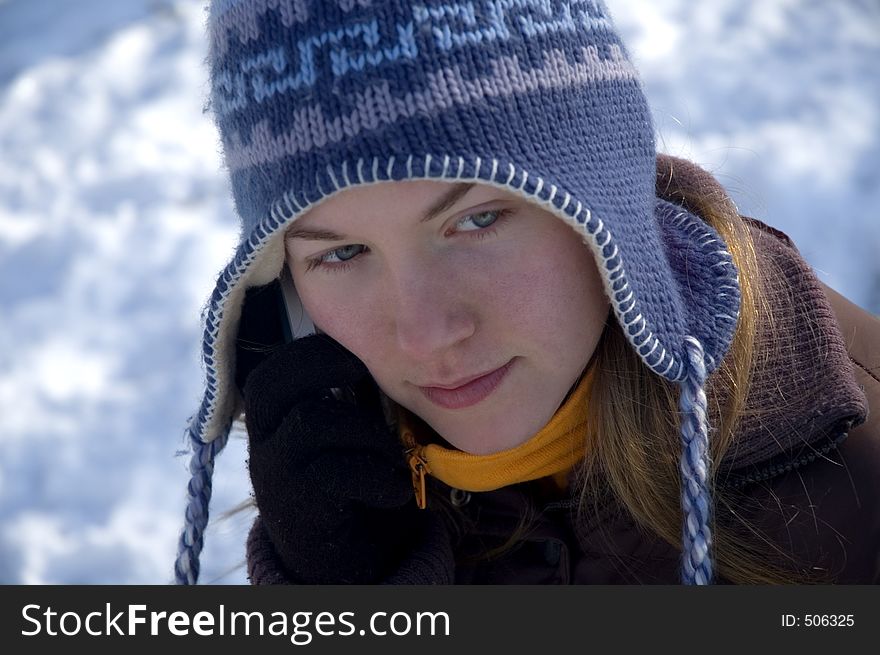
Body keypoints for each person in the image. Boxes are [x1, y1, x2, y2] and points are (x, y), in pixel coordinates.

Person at [175, 0, 880, 585]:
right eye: (343, 253)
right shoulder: (347, 484)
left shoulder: (854, 489)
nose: (426, 335)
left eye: (476, 219)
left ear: (599, 204)